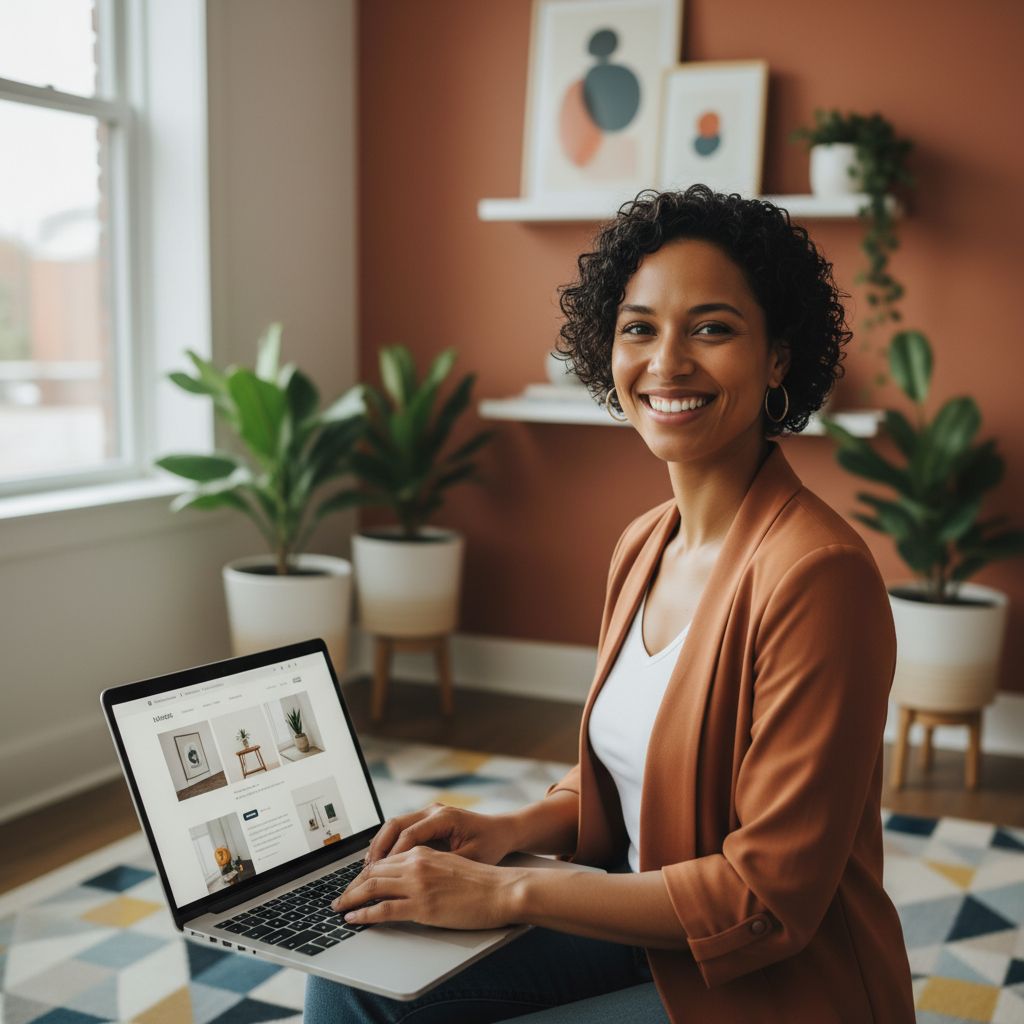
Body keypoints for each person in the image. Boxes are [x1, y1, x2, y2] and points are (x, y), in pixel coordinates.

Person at [304, 184, 916, 1023]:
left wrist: (505, 893)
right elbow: (628, 776)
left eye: (713, 327)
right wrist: (506, 828)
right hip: (653, 928)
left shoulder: (819, 576)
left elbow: (764, 902)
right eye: (640, 328)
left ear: (777, 356)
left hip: (771, 985)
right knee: (349, 973)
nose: (667, 362)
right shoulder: (643, 544)